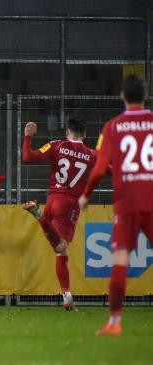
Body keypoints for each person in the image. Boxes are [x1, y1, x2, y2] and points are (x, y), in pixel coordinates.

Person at [79, 74, 153, 336]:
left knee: (121, 260)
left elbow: (99, 168)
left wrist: (86, 194)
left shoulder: (113, 127)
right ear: (145, 96)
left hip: (128, 202)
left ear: (122, 96)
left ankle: (114, 322)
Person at [21, 117, 96, 311]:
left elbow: (28, 157)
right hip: (69, 204)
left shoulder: (55, 145)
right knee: (61, 247)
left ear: (67, 132)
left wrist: (28, 137)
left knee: (61, 251)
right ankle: (38, 215)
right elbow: (110, 170)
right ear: (85, 135)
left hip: (53, 200)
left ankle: (67, 295)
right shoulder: (91, 154)